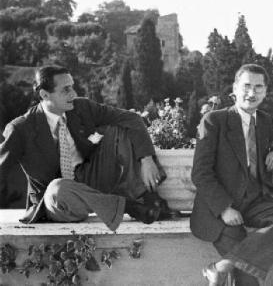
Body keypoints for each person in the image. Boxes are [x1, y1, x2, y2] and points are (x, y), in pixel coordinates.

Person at [0, 65, 176, 231]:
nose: (73, 93)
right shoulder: (21, 128)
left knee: (117, 129)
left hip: (89, 180)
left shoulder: (81, 107)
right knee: (59, 187)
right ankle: (129, 206)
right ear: (45, 94)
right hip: (58, 201)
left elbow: (132, 118)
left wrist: (146, 159)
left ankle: (142, 195)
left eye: (72, 87)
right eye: (66, 90)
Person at [190, 64, 273, 286]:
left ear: (265, 92)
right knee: (249, 278)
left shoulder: (266, 122)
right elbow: (200, 173)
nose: (252, 93)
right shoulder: (214, 121)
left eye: (258, 87)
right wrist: (224, 208)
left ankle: (220, 268)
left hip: (255, 201)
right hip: (219, 210)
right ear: (235, 88)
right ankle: (225, 269)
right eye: (247, 86)